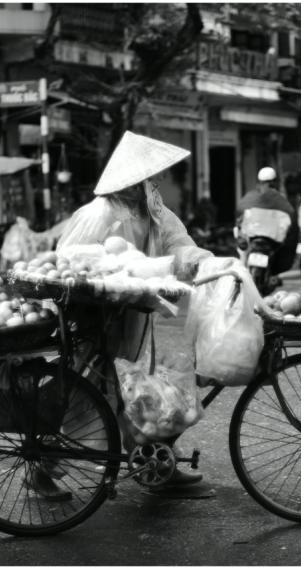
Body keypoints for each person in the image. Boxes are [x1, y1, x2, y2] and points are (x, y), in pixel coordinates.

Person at [51, 130, 213, 492]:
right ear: (129, 179)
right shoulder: (99, 213)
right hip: (96, 317)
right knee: (87, 393)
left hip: (136, 314)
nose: (150, 184)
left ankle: (157, 464)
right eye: (144, 178)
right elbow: (68, 264)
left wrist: (204, 261)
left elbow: (179, 244)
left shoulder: (154, 208)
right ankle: (45, 468)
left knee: (144, 392)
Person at [234, 167, 299, 281]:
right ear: (275, 181)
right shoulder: (279, 198)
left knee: (242, 252)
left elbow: (240, 210)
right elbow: (291, 215)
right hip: (265, 238)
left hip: (253, 237)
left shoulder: (251, 196)